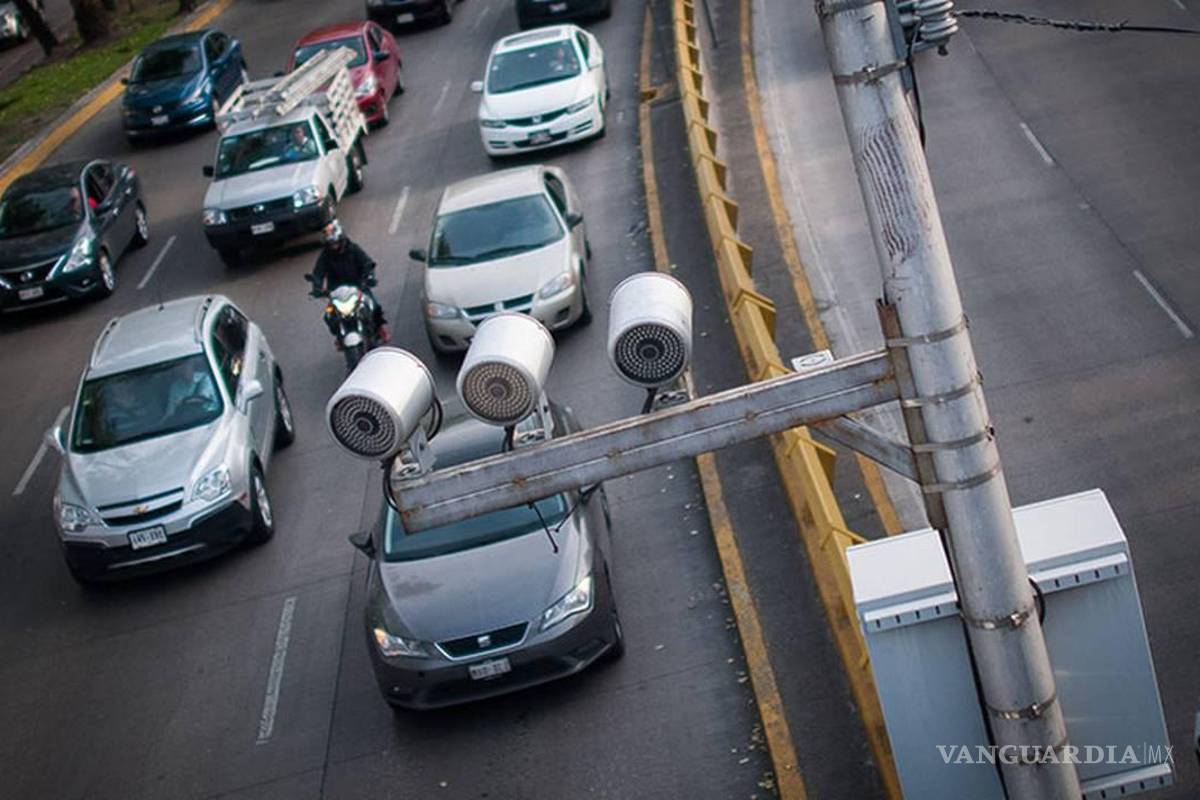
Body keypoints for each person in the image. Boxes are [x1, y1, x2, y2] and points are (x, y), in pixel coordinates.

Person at [309, 221, 390, 344]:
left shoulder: (353, 249)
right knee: (329, 316)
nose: (333, 246)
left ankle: (381, 330)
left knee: (374, 306)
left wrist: (369, 277)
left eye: (335, 243)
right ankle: (340, 336)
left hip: (358, 288)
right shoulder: (325, 255)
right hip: (336, 293)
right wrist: (317, 287)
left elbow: (367, 263)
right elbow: (318, 273)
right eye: (331, 244)